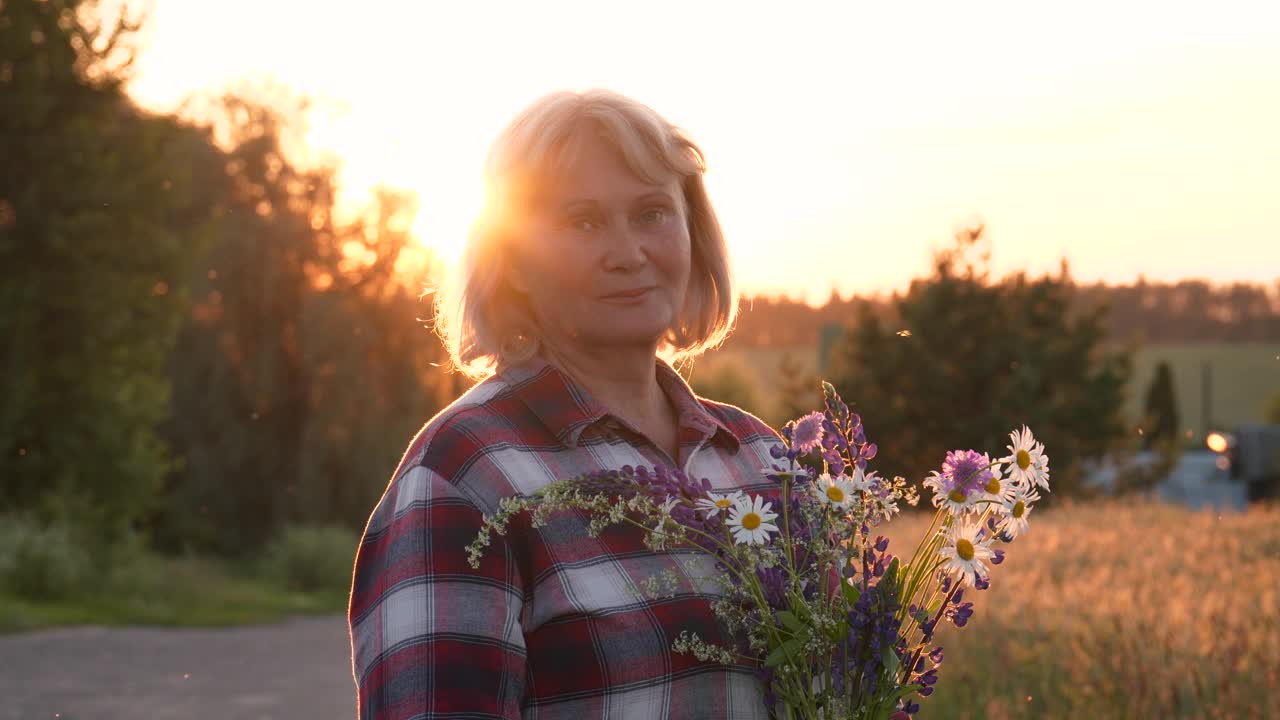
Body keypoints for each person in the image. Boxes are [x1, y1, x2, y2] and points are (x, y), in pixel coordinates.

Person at [348, 89, 782, 719]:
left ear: (693, 233)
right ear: (515, 261)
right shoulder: (465, 473)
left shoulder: (762, 459)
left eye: (652, 213)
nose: (628, 253)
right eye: (583, 222)